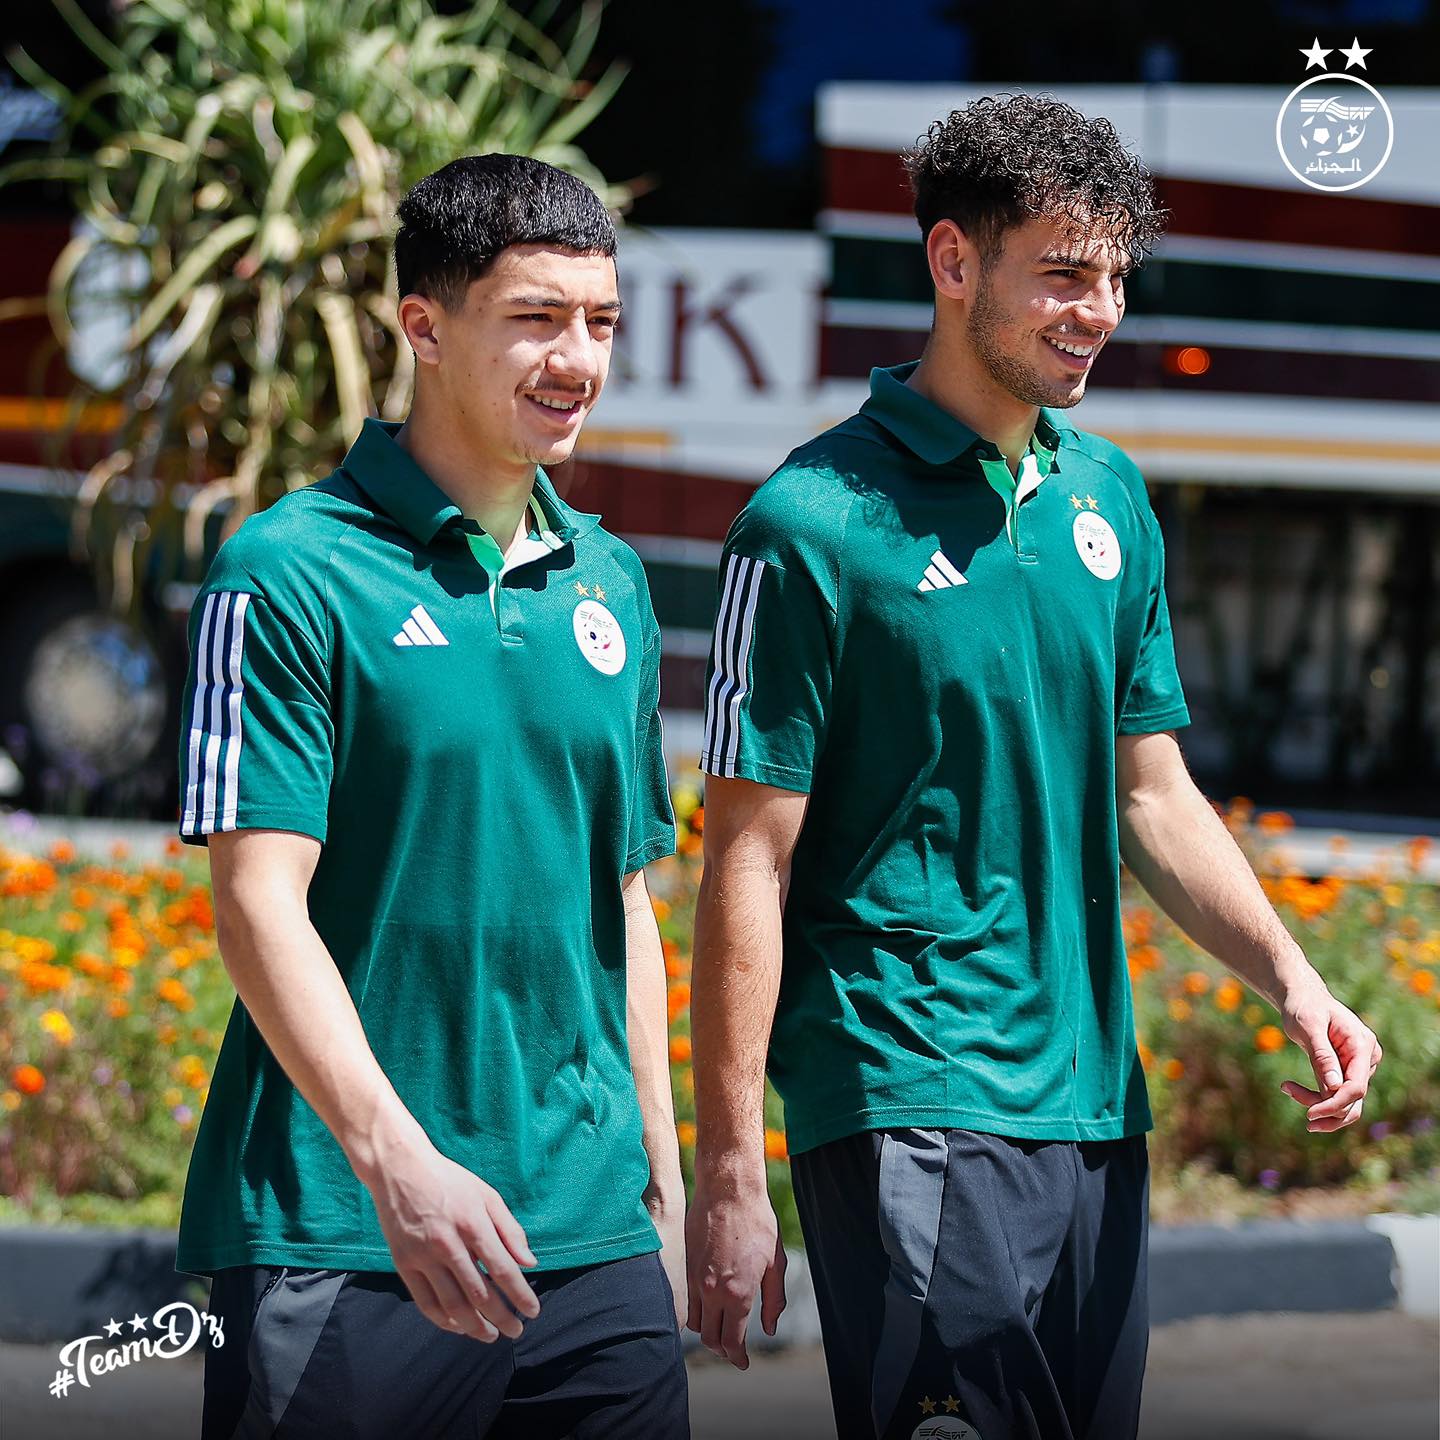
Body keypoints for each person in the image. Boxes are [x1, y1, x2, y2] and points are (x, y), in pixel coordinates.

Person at [685, 94, 1383, 1440]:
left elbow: (1152, 794)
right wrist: (729, 1169)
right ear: (954, 262)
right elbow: (746, 862)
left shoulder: (1108, 496)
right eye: (1063, 273)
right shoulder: (808, 525)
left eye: (1115, 278)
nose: (1098, 311)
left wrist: (1295, 981)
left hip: (1091, 1106)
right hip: (904, 1089)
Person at [176, 154, 688, 1439]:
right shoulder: (286, 571)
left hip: (593, 1247)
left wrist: (664, 1191)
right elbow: (256, 907)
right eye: (536, 318)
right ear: (424, 325)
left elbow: (625, 903)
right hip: (349, 1233)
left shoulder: (611, 581)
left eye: (601, 321)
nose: (578, 358)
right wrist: (397, 1167)